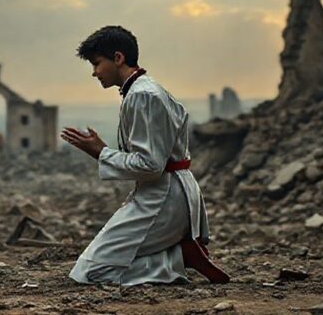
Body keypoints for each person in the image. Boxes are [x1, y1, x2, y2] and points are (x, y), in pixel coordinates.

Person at [60, 25, 230, 287]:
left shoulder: (143, 95)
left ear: (118, 58)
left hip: (164, 198)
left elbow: (151, 165)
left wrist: (100, 152)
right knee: (91, 265)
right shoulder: (141, 90)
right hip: (163, 193)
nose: (94, 73)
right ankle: (177, 252)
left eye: (96, 63)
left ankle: (174, 258)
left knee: (92, 272)